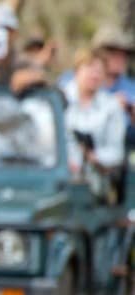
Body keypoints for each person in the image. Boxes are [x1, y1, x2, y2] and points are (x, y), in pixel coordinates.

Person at [62, 49, 127, 200]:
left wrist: (93, 156)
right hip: (61, 179)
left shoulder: (111, 106)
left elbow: (116, 152)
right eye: (89, 68)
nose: (94, 75)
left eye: (99, 71)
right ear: (77, 70)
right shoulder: (60, 98)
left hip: (94, 184)